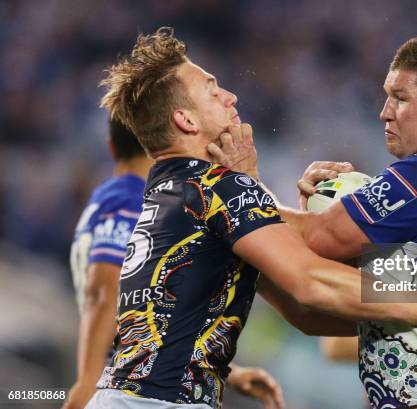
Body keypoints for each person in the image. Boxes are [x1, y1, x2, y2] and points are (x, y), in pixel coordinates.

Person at [87, 27, 417, 409]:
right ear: (186, 120)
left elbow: (305, 315)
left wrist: (411, 325)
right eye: (212, 91)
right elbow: (310, 280)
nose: (229, 96)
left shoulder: (171, 190)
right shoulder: (216, 188)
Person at [212, 34, 417, 408]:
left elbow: (320, 240)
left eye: (401, 98)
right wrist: (333, 203)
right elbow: (314, 317)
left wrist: (243, 184)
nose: (384, 111)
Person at [64, 119, 285, 409]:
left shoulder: (107, 197)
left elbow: (150, 305)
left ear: (111, 147)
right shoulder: (133, 199)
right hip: (132, 389)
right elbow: (104, 292)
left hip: (137, 378)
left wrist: (231, 374)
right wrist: (86, 382)